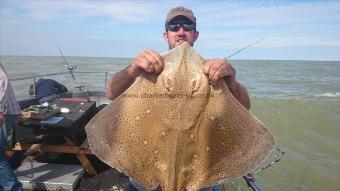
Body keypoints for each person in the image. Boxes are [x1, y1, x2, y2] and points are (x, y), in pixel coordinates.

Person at [106, 7, 251, 191]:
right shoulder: (146, 67)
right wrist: (132, 69)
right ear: (166, 35)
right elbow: (111, 93)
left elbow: (245, 108)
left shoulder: (212, 70)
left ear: (195, 34)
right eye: (174, 27)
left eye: (187, 26)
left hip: (198, 180)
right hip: (145, 177)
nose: (181, 32)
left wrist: (231, 80)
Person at [0, 62, 22, 191]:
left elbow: (3, 83)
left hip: (6, 113)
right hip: (8, 113)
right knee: (2, 149)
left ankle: (13, 187)